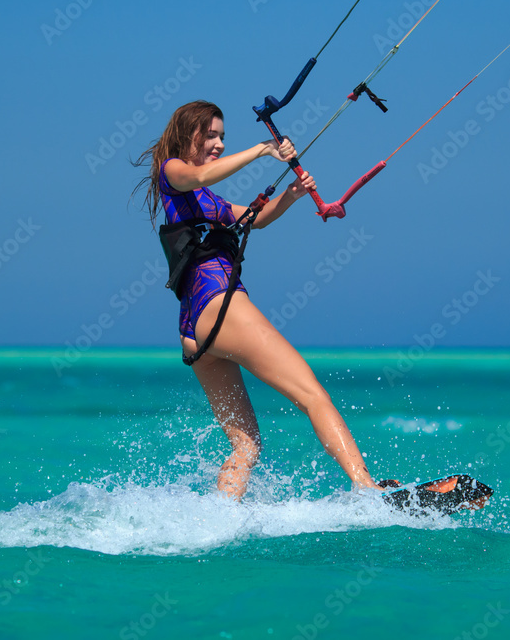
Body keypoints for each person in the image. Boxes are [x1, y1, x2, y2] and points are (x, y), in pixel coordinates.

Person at [135, 100, 384, 500]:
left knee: (247, 445)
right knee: (313, 395)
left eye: (222, 137)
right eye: (210, 135)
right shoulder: (174, 171)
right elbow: (199, 173)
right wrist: (263, 149)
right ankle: (367, 490)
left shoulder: (206, 200)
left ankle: (216, 523)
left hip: (195, 331)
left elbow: (252, 218)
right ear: (188, 135)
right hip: (220, 305)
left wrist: (292, 193)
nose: (217, 143)